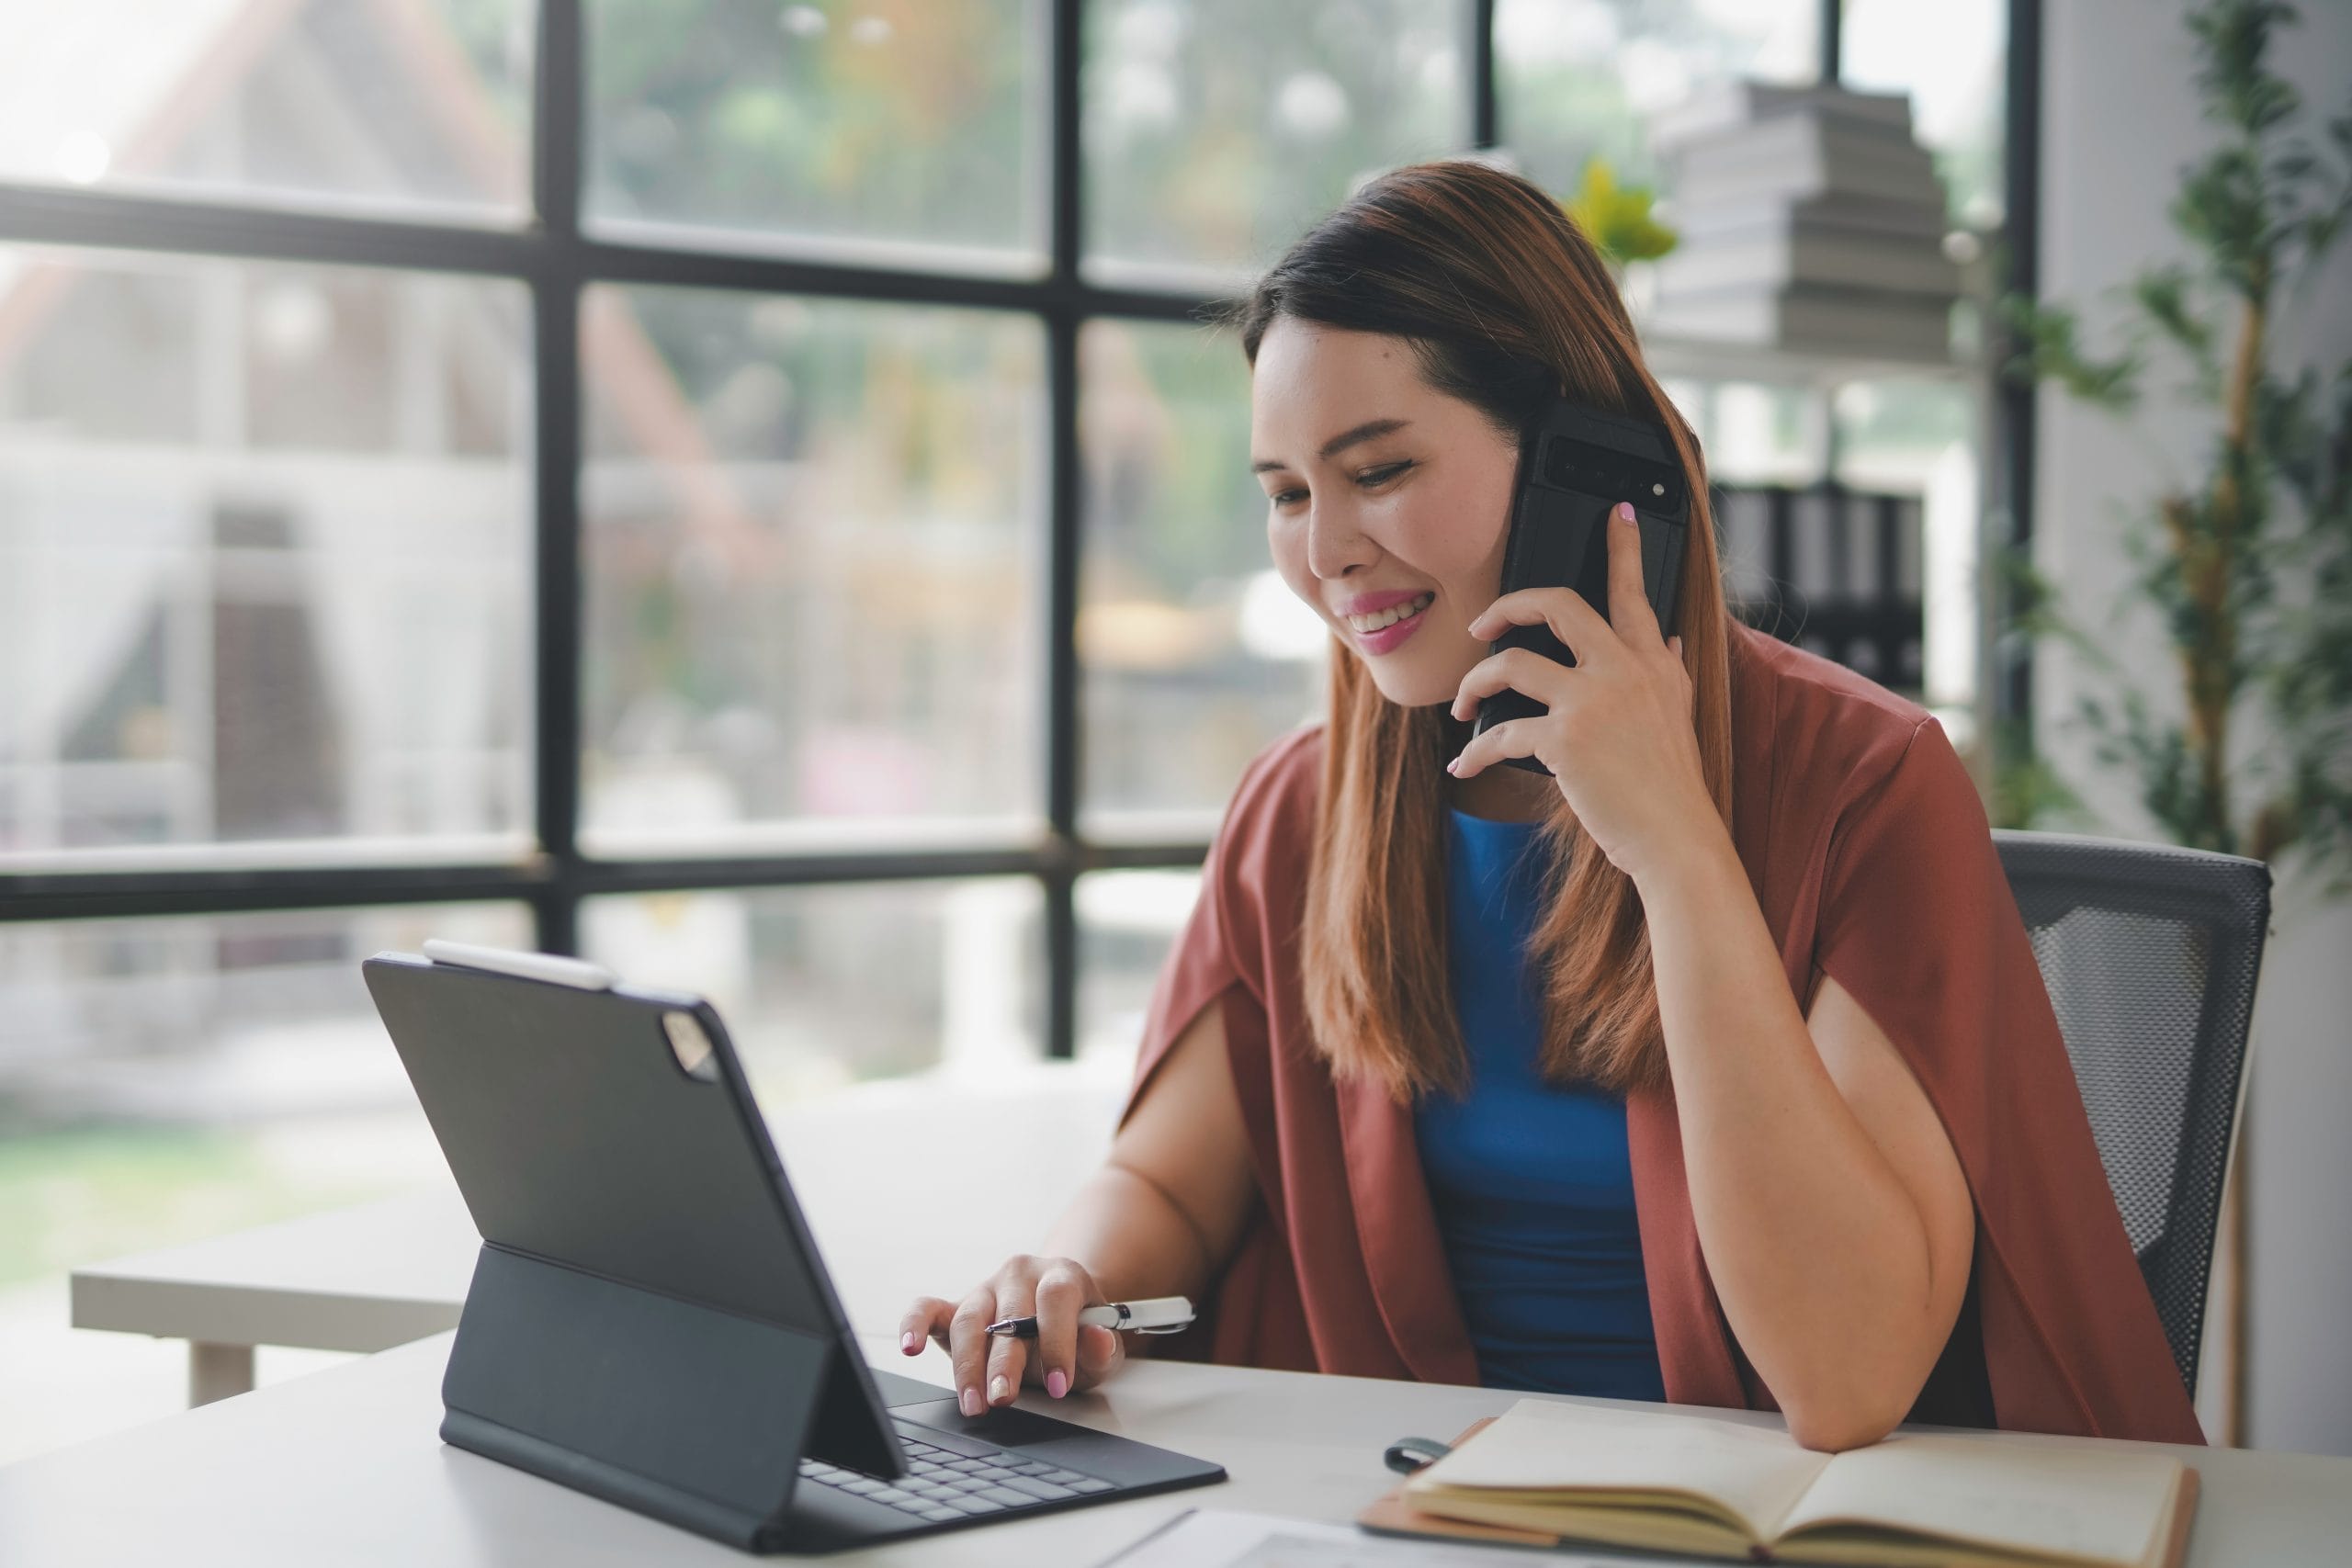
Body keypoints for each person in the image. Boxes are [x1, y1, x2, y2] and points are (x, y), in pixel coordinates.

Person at [899, 159, 2201, 1452]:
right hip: (1411, 1507)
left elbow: (1849, 1377)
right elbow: (1166, 1184)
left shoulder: (1867, 784)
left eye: (1382, 467)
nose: (1326, 550)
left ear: (1591, 469)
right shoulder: (1300, 809)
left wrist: (1676, 847)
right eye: (1289, 494)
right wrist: (1063, 1276)